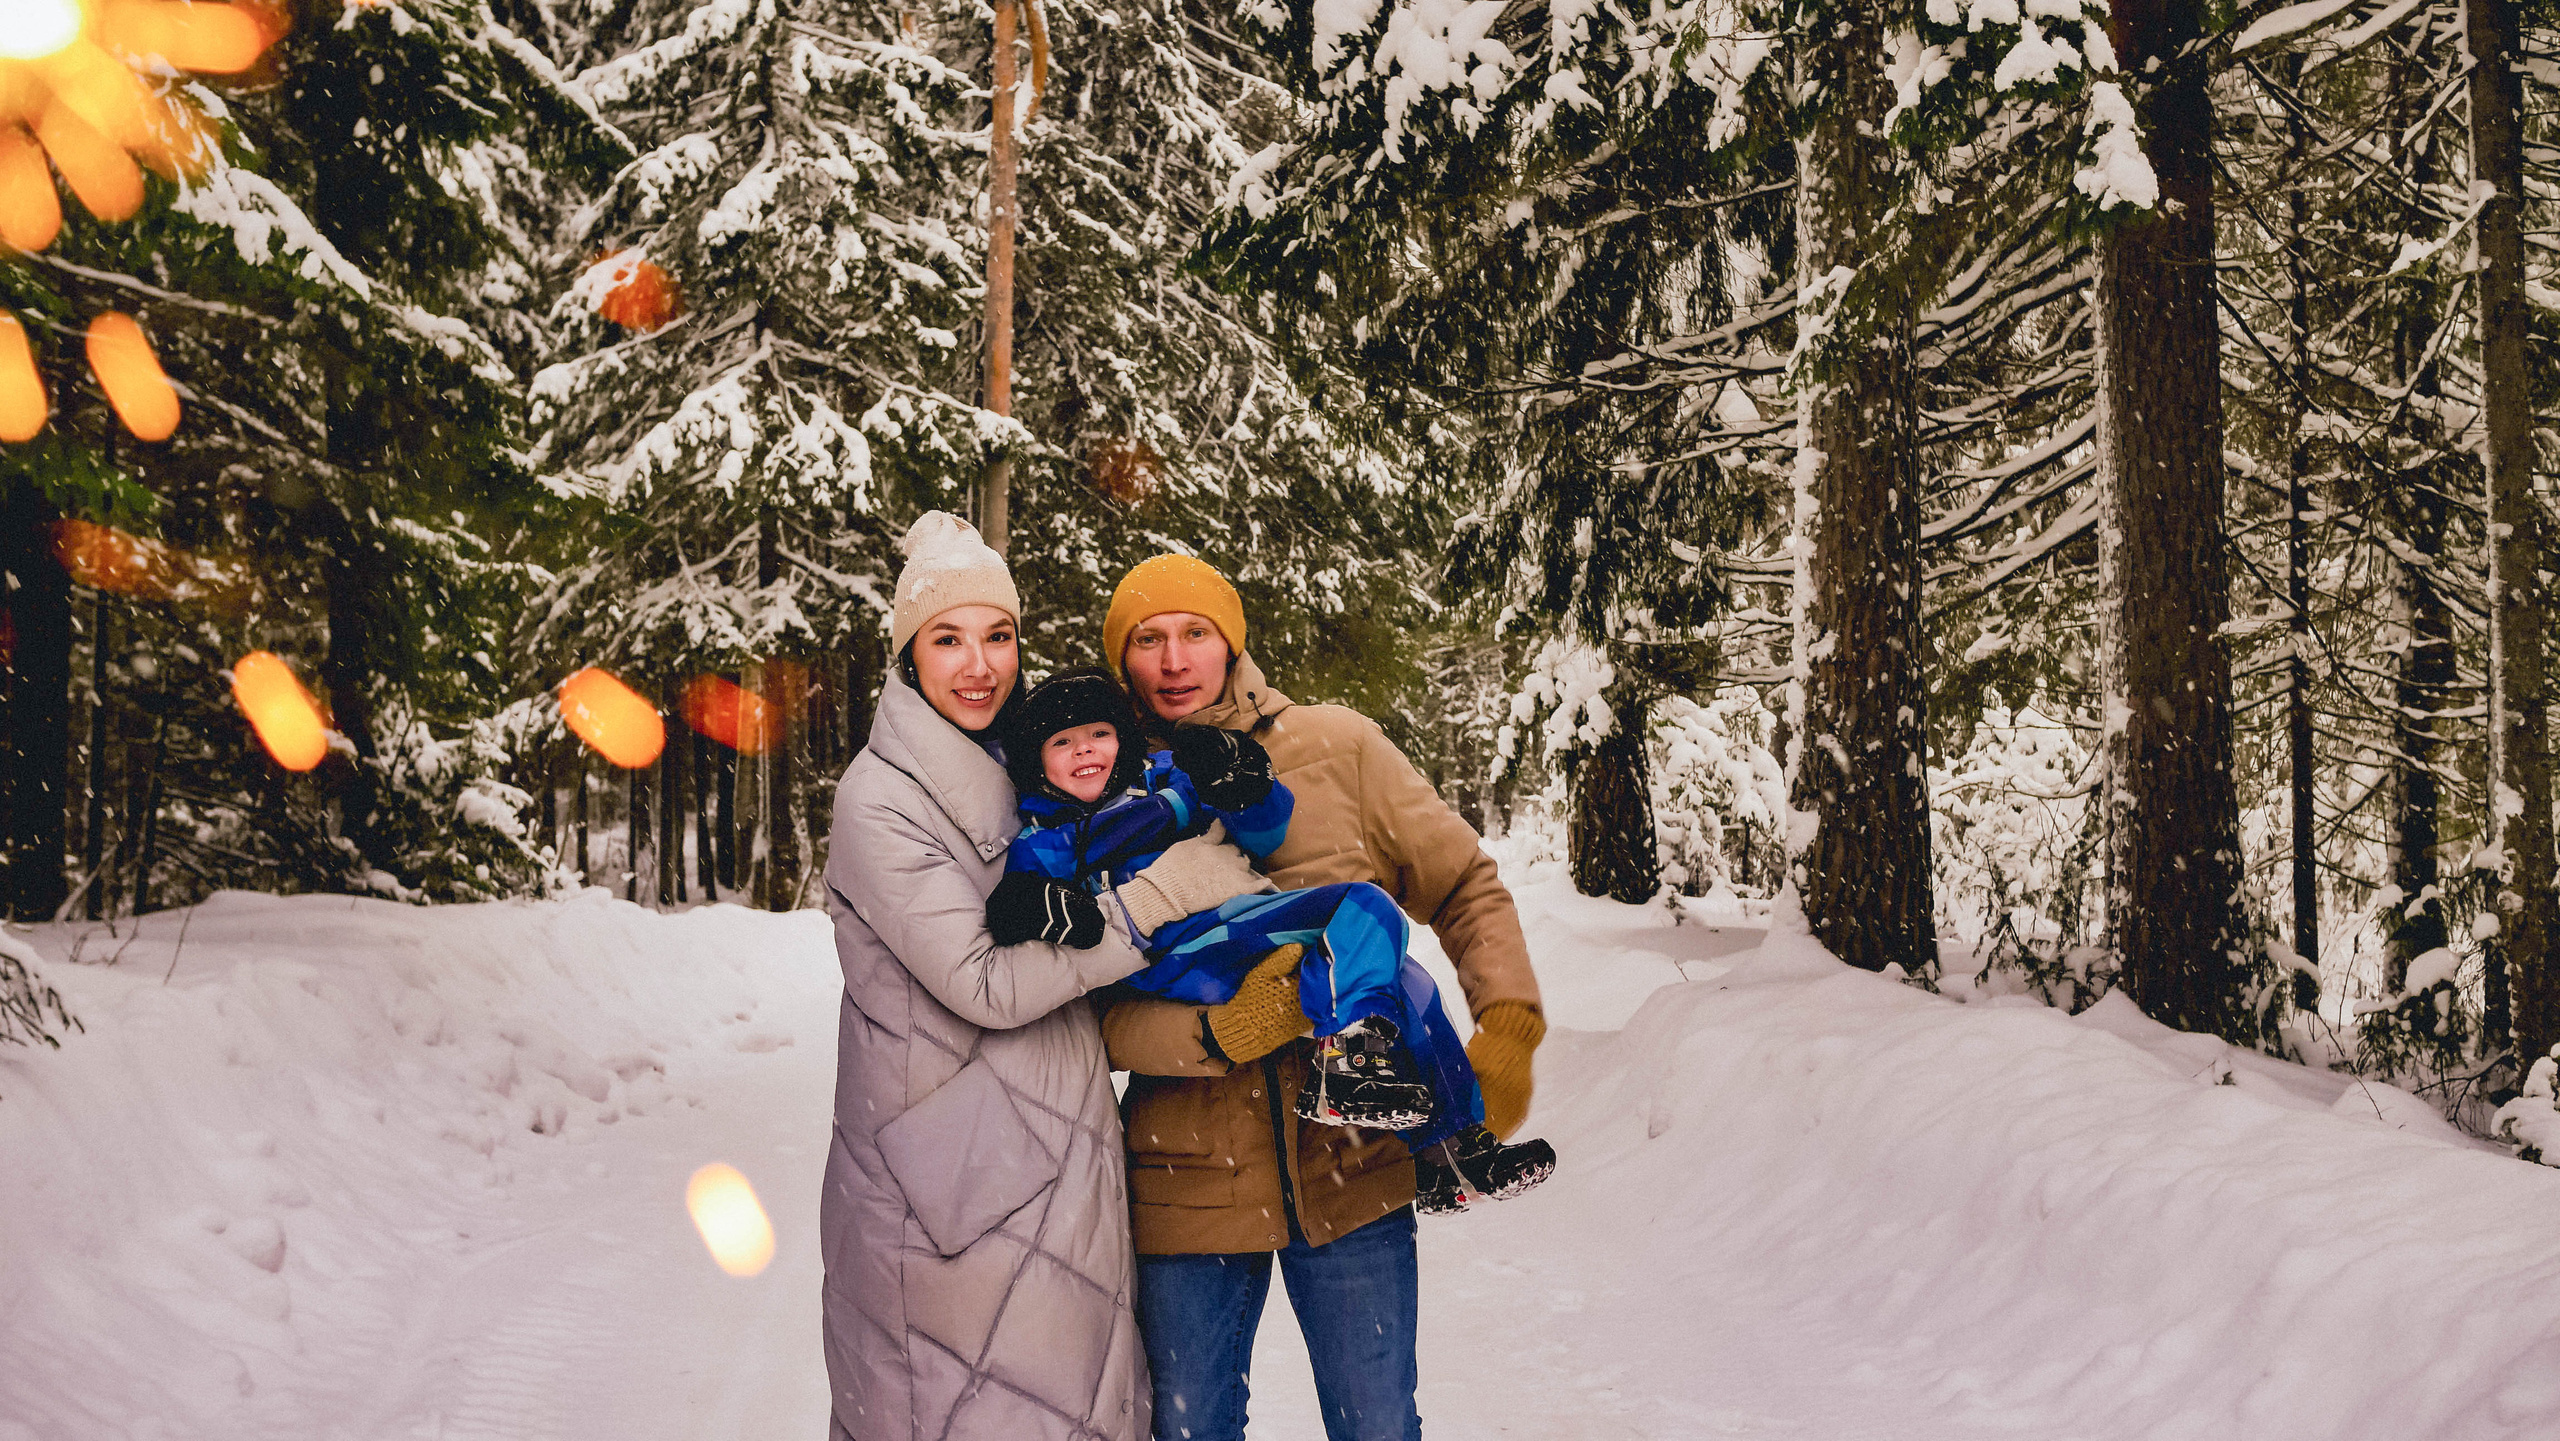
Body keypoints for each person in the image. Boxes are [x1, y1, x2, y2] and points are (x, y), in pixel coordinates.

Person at [817, 515, 1269, 1441]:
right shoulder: (880, 798)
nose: (979, 664)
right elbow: (985, 984)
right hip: (956, 1183)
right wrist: (1157, 900)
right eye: (947, 640)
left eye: (998, 636)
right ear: (907, 655)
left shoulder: (1011, 759)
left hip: (1049, 1161)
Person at [1095, 555, 1549, 1441]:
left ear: (1232, 642)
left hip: (1352, 1165)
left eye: (1196, 632)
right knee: (1193, 1430)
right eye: (1149, 639)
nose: (1175, 659)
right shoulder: (1100, 788)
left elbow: (1463, 885)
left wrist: (1508, 1025)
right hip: (1182, 1186)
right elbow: (1092, 1010)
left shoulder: (1336, 746)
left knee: (1378, 1426)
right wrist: (1214, 1034)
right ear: (1124, 663)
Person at [987, 667, 1555, 1208]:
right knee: (1362, 904)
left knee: (1403, 979)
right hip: (1183, 952)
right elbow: (1018, 905)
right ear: (1038, 761)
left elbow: (1262, 824)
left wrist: (1246, 783)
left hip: (1234, 926)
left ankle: (1453, 1154)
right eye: (1063, 742)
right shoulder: (1050, 836)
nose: (1085, 749)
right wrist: (1042, 909)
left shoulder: (1163, 783)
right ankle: (1348, 1061)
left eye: (1099, 734)